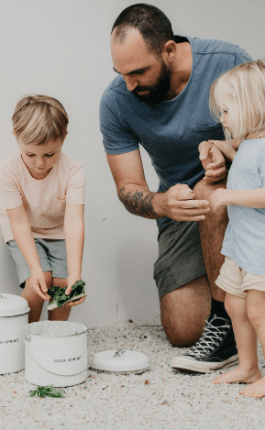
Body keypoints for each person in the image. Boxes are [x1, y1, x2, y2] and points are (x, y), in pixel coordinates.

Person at [99, 3, 252, 372]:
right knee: (183, 328)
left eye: (138, 72)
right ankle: (236, 307)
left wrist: (227, 154)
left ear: (169, 50)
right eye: (121, 74)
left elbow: (261, 137)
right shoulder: (116, 101)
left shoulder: (228, 61)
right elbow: (129, 188)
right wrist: (163, 204)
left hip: (241, 193)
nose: (130, 84)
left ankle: (226, 326)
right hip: (178, 209)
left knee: (208, 189)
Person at [0, 95, 85, 323]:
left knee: (64, 284)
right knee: (40, 280)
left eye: (49, 154)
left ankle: (56, 334)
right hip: (23, 228)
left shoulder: (73, 170)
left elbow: (74, 221)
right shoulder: (9, 171)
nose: (40, 163)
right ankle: (28, 333)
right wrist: (35, 268)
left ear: (64, 138)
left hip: (57, 230)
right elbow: (18, 222)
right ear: (16, 138)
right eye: (30, 154)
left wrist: (75, 274)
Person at [207, 60, 265, 398]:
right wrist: (216, 145)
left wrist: (229, 195)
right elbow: (238, 152)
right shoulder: (249, 143)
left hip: (260, 250)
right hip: (241, 246)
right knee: (234, 305)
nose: (222, 119)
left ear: (251, 107)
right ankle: (247, 366)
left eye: (226, 111)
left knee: (259, 312)